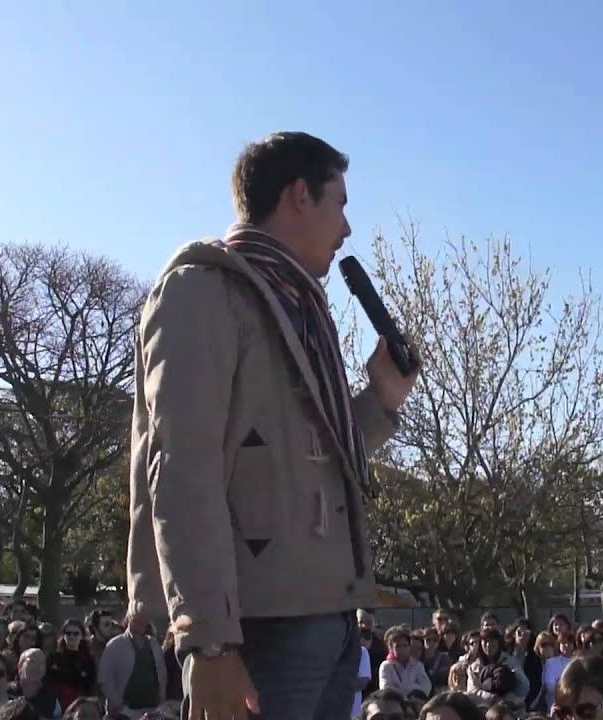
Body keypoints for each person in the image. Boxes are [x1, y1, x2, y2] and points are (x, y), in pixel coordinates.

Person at [127, 130, 420, 720]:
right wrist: (208, 641)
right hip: (252, 630)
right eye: (340, 203)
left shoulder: (301, 307)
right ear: (298, 196)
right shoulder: (201, 291)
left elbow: (312, 462)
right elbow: (182, 474)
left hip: (329, 618)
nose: (348, 228)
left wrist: (382, 400)